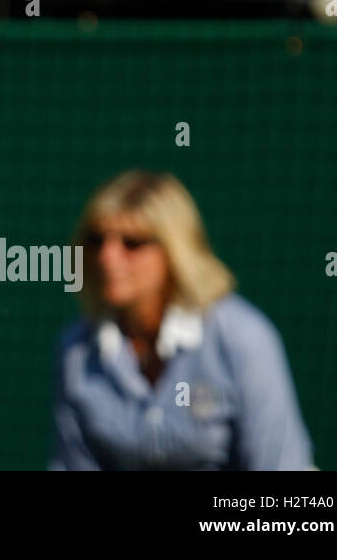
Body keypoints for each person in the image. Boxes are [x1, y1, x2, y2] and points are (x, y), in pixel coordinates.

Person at [48, 170, 314, 470]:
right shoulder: (75, 350)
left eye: (132, 242)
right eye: (97, 240)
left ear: (175, 250)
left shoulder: (242, 337)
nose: (107, 257)